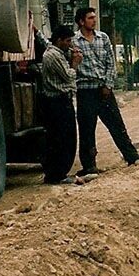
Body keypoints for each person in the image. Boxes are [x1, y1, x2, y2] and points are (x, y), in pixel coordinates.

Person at [73, 7, 139, 175]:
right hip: (85, 90)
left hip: (104, 90)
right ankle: (89, 165)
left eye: (94, 17)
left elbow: (111, 64)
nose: (94, 20)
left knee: (117, 125)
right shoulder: (73, 42)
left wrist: (108, 85)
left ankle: (131, 156)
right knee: (87, 129)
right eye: (90, 18)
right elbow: (54, 48)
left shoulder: (103, 38)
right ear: (81, 21)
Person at [40, 25, 86, 185]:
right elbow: (68, 76)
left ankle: (57, 173)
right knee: (62, 139)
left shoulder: (56, 53)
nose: (69, 44)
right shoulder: (53, 56)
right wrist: (75, 63)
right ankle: (56, 174)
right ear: (59, 40)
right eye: (67, 41)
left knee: (62, 138)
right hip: (57, 101)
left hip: (60, 100)